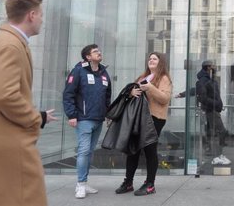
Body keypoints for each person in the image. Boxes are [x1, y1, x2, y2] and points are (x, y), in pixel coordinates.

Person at [0, 0, 58, 206]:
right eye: (40, 14)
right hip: (10, 144)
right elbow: (4, 95)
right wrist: (33, 118)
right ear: (31, 15)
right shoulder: (10, 46)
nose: (42, 19)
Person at [115, 52, 172, 196]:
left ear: (161, 62)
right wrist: (131, 92)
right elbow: (133, 95)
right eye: (150, 58)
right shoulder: (142, 77)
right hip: (138, 118)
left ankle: (150, 184)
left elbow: (165, 99)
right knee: (132, 150)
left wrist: (150, 88)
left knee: (149, 150)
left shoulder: (164, 78)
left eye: (155, 59)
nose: (151, 60)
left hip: (154, 118)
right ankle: (128, 182)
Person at [63, 43, 112, 198]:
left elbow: (107, 97)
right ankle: (80, 185)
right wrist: (71, 115)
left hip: (98, 119)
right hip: (84, 119)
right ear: (88, 57)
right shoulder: (78, 71)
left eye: (99, 50)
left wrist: (108, 114)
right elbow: (68, 94)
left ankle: (84, 182)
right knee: (84, 151)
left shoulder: (104, 73)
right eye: (95, 51)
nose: (99, 53)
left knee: (90, 152)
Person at [196, 60, 230, 165]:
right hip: (211, 110)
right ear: (208, 68)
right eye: (213, 66)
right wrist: (215, 103)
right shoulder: (203, 81)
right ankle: (218, 155)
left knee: (211, 132)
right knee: (221, 131)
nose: (215, 68)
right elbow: (202, 96)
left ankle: (215, 154)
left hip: (213, 109)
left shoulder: (211, 79)